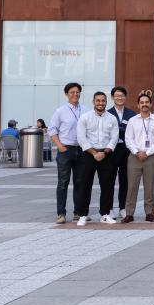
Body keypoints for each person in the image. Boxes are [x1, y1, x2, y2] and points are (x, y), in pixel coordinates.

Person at [75, 91, 119, 225]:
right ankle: (82, 214)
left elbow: (114, 138)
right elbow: (81, 139)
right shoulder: (85, 117)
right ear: (93, 102)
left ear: (106, 102)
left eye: (103, 101)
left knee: (108, 186)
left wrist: (104, 153)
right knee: (85, 185)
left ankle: (105, 214)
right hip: (89, 155)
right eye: (98, 100)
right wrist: (94, 153)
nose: (101, 103)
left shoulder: (112, 118)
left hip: (106, 155)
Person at [48, 82, 88, 224]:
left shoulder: (86, 110)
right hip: (65, 150)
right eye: (72, 92)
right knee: (63, 182)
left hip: (81, 150)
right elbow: (52, 130)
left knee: (80, 182)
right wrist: (59, 146)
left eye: (77, 92)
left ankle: (78, 212)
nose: (75, 95)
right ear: (66, 94)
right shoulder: (60, 111)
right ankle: (61, 213)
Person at [123, 93, 154, 223]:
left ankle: (149, 213)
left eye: (147, 102)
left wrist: (147, 153)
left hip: (150, 157)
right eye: (142, 102)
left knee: (150, 186)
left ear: (151, 104)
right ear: (138, 105)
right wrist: (137, 152)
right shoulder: (132, 120)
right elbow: (128, 139)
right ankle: (129, 213)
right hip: (134, 157)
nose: (144, 104)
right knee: (132, 186)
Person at [108, 86, 136, 218]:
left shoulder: (132, 114)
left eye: (122, 96)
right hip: (111, 151)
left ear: (125, 97)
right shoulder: (107, 114)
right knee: (109, 180)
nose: (119, 98)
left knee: (125, 180)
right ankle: (109, 208)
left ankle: (122, 207)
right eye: (117, 96)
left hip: (126, 150)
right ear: (113, 97)